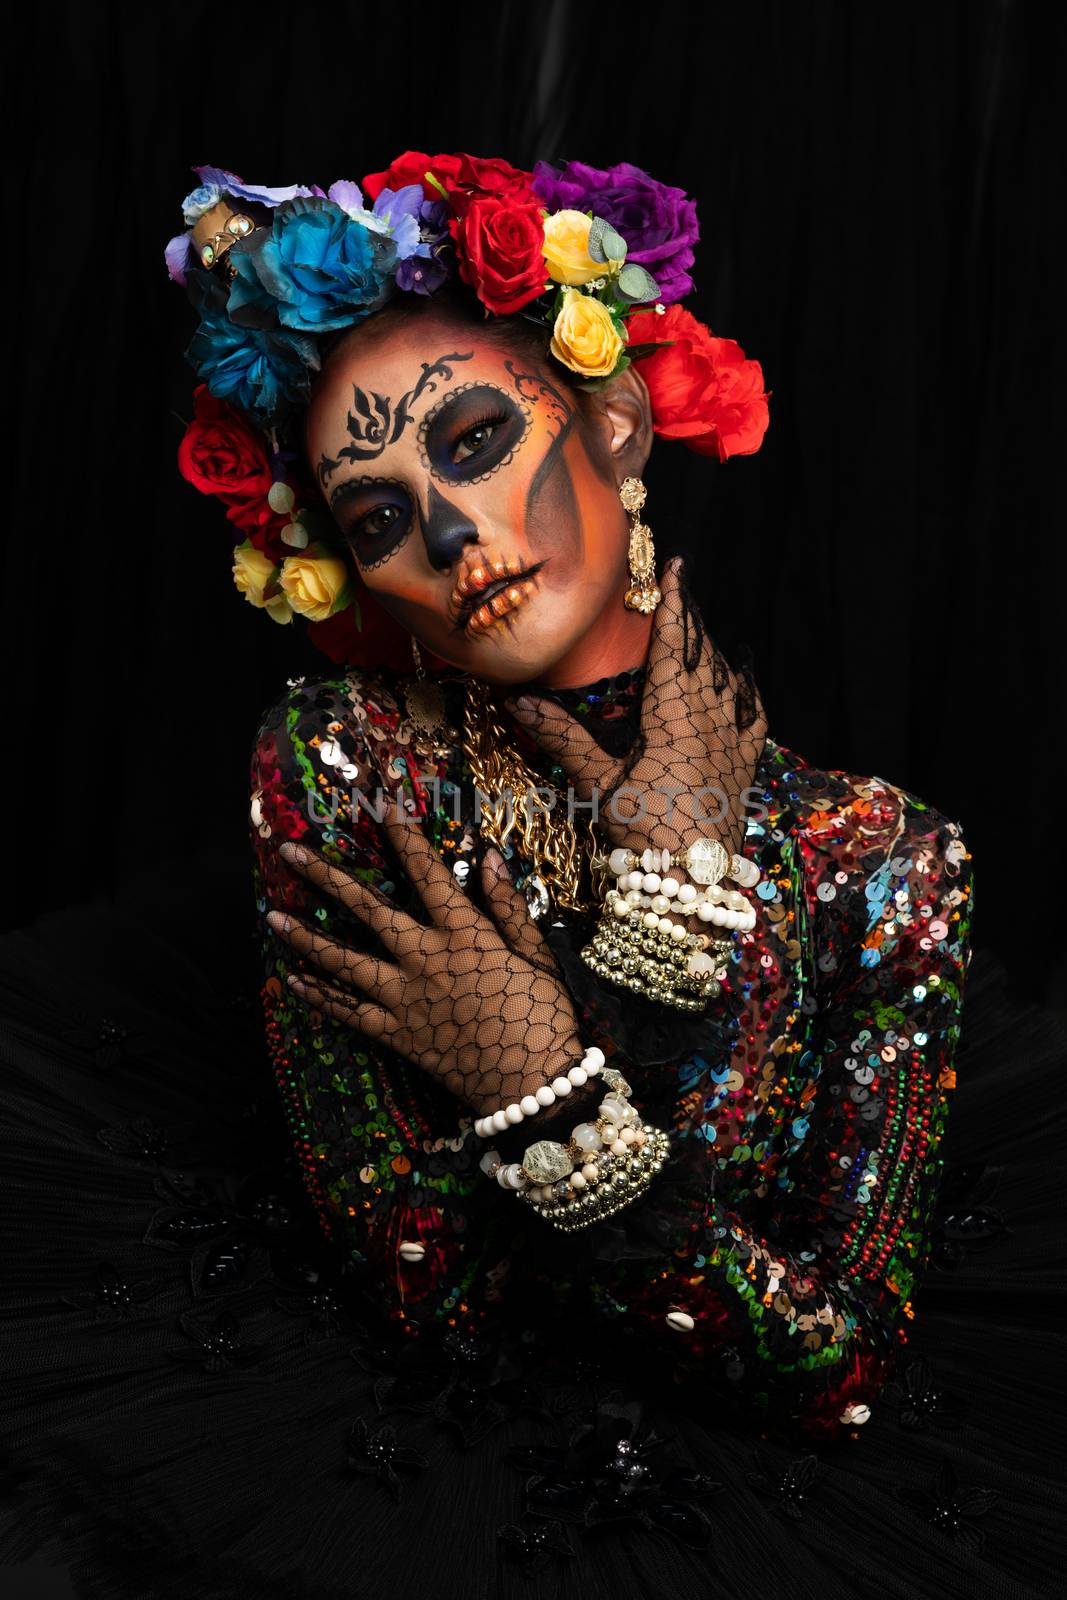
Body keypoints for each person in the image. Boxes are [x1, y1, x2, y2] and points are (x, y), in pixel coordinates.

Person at [1, 152, 1063, 1600]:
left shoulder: (877, 859)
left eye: (475, 438)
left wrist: (544, 1063)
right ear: (359, 577)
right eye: (375, 517)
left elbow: (833, 1367)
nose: (444, 531)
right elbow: (423, 1293)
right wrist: (558, 1085)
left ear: (613, 422)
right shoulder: (347, 764)